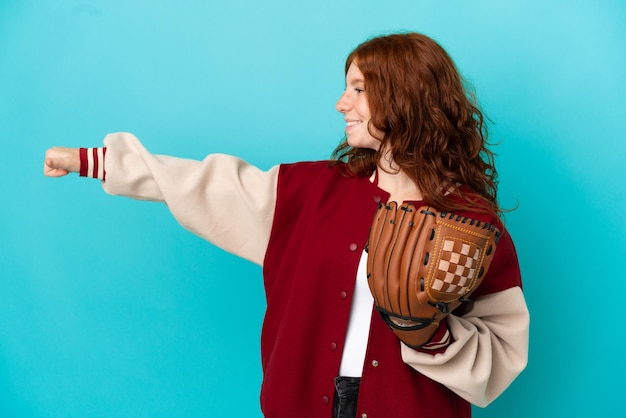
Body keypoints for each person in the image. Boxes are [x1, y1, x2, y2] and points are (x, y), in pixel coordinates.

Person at [44, 32, 529, 418]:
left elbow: (505, 348)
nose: (342, 104)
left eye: (359, 90)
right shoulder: (309, 192)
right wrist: (93, 161)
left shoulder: (471, 221)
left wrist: (429, 334)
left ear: (406, 98)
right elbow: (199, 183)